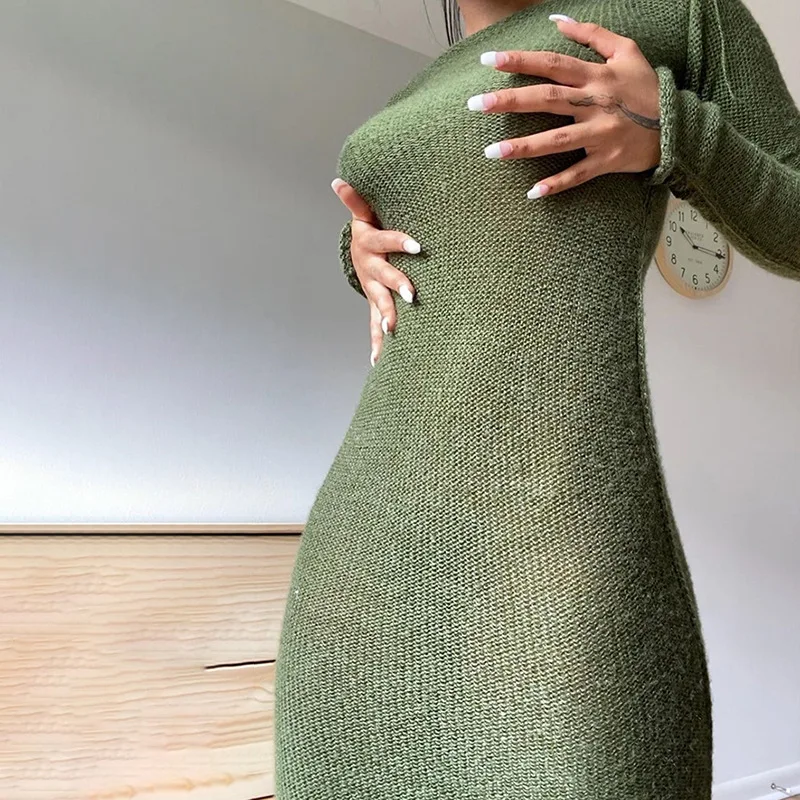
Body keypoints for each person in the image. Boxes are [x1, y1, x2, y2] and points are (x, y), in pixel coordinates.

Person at [274, 0, 800, 796]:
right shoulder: (413, 92)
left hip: (557, 536)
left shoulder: (681, 12)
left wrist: (678, 133)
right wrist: (359, 250)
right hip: (361, 551)